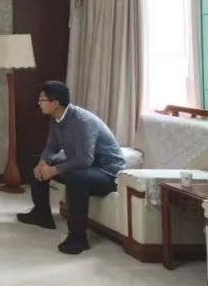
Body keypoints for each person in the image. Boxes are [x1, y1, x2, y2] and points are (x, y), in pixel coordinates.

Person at [17, 81, 127, 255]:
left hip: (107, 174)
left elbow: (85, 159)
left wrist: (54, 170)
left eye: (42, 100)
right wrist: (43, 163)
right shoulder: (56, 118)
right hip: (84, 168)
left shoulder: (83, 121)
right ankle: (41, 214)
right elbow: (51, 147)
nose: (39, 103)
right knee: (37, 160)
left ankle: (78, 238)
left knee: (76, 177)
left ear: (55, 103)